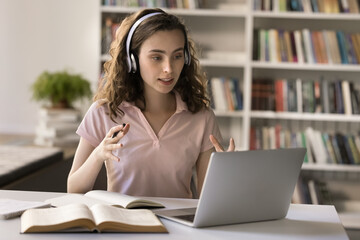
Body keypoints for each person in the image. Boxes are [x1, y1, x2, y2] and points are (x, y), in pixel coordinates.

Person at [67, 8, 234, 198]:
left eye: (177, 56)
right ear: (132, 60)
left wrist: (224, 174)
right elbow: (73, 189)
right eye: (156, 57)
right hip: (123, 223)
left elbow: (207, 201)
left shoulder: (201, 117)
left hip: (179, 226)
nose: (168, 68)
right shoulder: (103, 112)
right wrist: (98, 155)